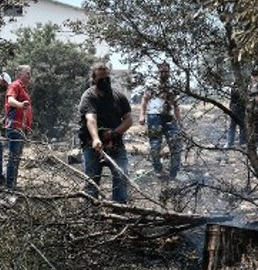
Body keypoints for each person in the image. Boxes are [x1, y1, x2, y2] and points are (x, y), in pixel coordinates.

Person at [78, 62, 133, 204]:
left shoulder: (118, 96)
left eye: (106, 77)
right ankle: (89, 212)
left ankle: (120, 209)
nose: (104, 80)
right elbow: (90, 118)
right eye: (101, 78)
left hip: (115, 144)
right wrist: (96, 139)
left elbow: (128, 120)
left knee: (121, 175)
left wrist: (114, 133)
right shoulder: (89, 96)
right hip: (92, 145)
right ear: (94, 79)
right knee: (92, 180)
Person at [139, 62, 182, 180]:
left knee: (175, 144)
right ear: (158, 72)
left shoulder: (172, 85)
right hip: (154, 116)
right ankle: (158, 170)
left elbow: (176, 104)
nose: (164, 73)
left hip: (169, 117)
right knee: (155, 145)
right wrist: (142, 115)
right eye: (161, 71)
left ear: (169, 72)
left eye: (166, 71)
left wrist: (179, 121)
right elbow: (144, 100)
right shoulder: (152, 84)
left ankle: (173, 173)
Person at [4, 65, 33, 190]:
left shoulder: (24, 89)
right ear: (19, 74)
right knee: (13, 157)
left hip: (21, 128)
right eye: (27, 73)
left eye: (30, 73)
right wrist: (20, 104)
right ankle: (10, 187)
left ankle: (13, 184)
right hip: (15, 127)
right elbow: (10, 100)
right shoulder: (15, 85)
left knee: (17, 157)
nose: (30, 75)